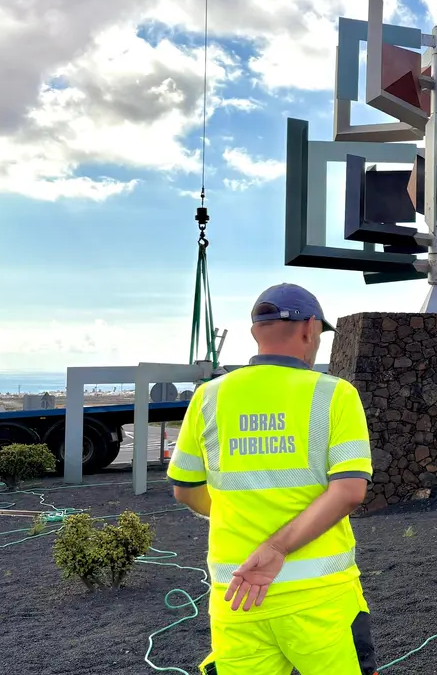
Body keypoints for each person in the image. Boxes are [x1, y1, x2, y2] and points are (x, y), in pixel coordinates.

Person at [168, 283, 377, 675]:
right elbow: (349, 491)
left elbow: (185, 490)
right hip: (321, 600)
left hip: (237, 598)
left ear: (254, 332)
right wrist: (278, 546)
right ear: (310, 329)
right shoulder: (335, 394)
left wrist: (240, 514)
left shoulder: (208, 397)